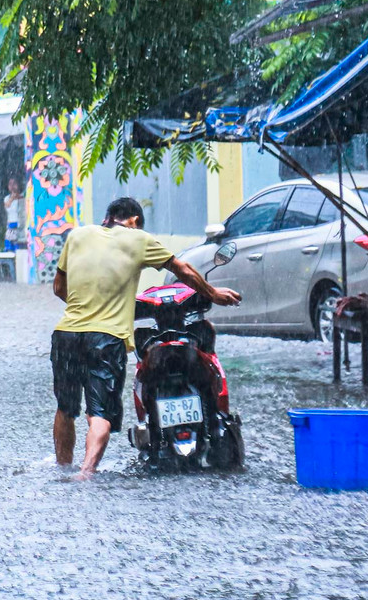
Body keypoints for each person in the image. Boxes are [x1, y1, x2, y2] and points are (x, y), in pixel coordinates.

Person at [51, 197, 241, 479]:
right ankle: (86, 473)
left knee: (66, 409)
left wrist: (88, 303)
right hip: (106, 338)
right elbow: (183, 270)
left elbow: (59, 288)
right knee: (99, 414)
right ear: (134, 221)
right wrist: (213, 294)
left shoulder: (77, 235)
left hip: (66, 334)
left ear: (107, 216)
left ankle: (63, 468)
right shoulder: (138, 238)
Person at [3, 177, 26, 252]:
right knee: (9, 251)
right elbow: (7, 206)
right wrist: (12, 198)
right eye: (10, 184)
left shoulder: (25, 197)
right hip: (11, 228)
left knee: (20, 250)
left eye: (14, 183)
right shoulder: (7, 198)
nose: (12, 186)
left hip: (21, 227)